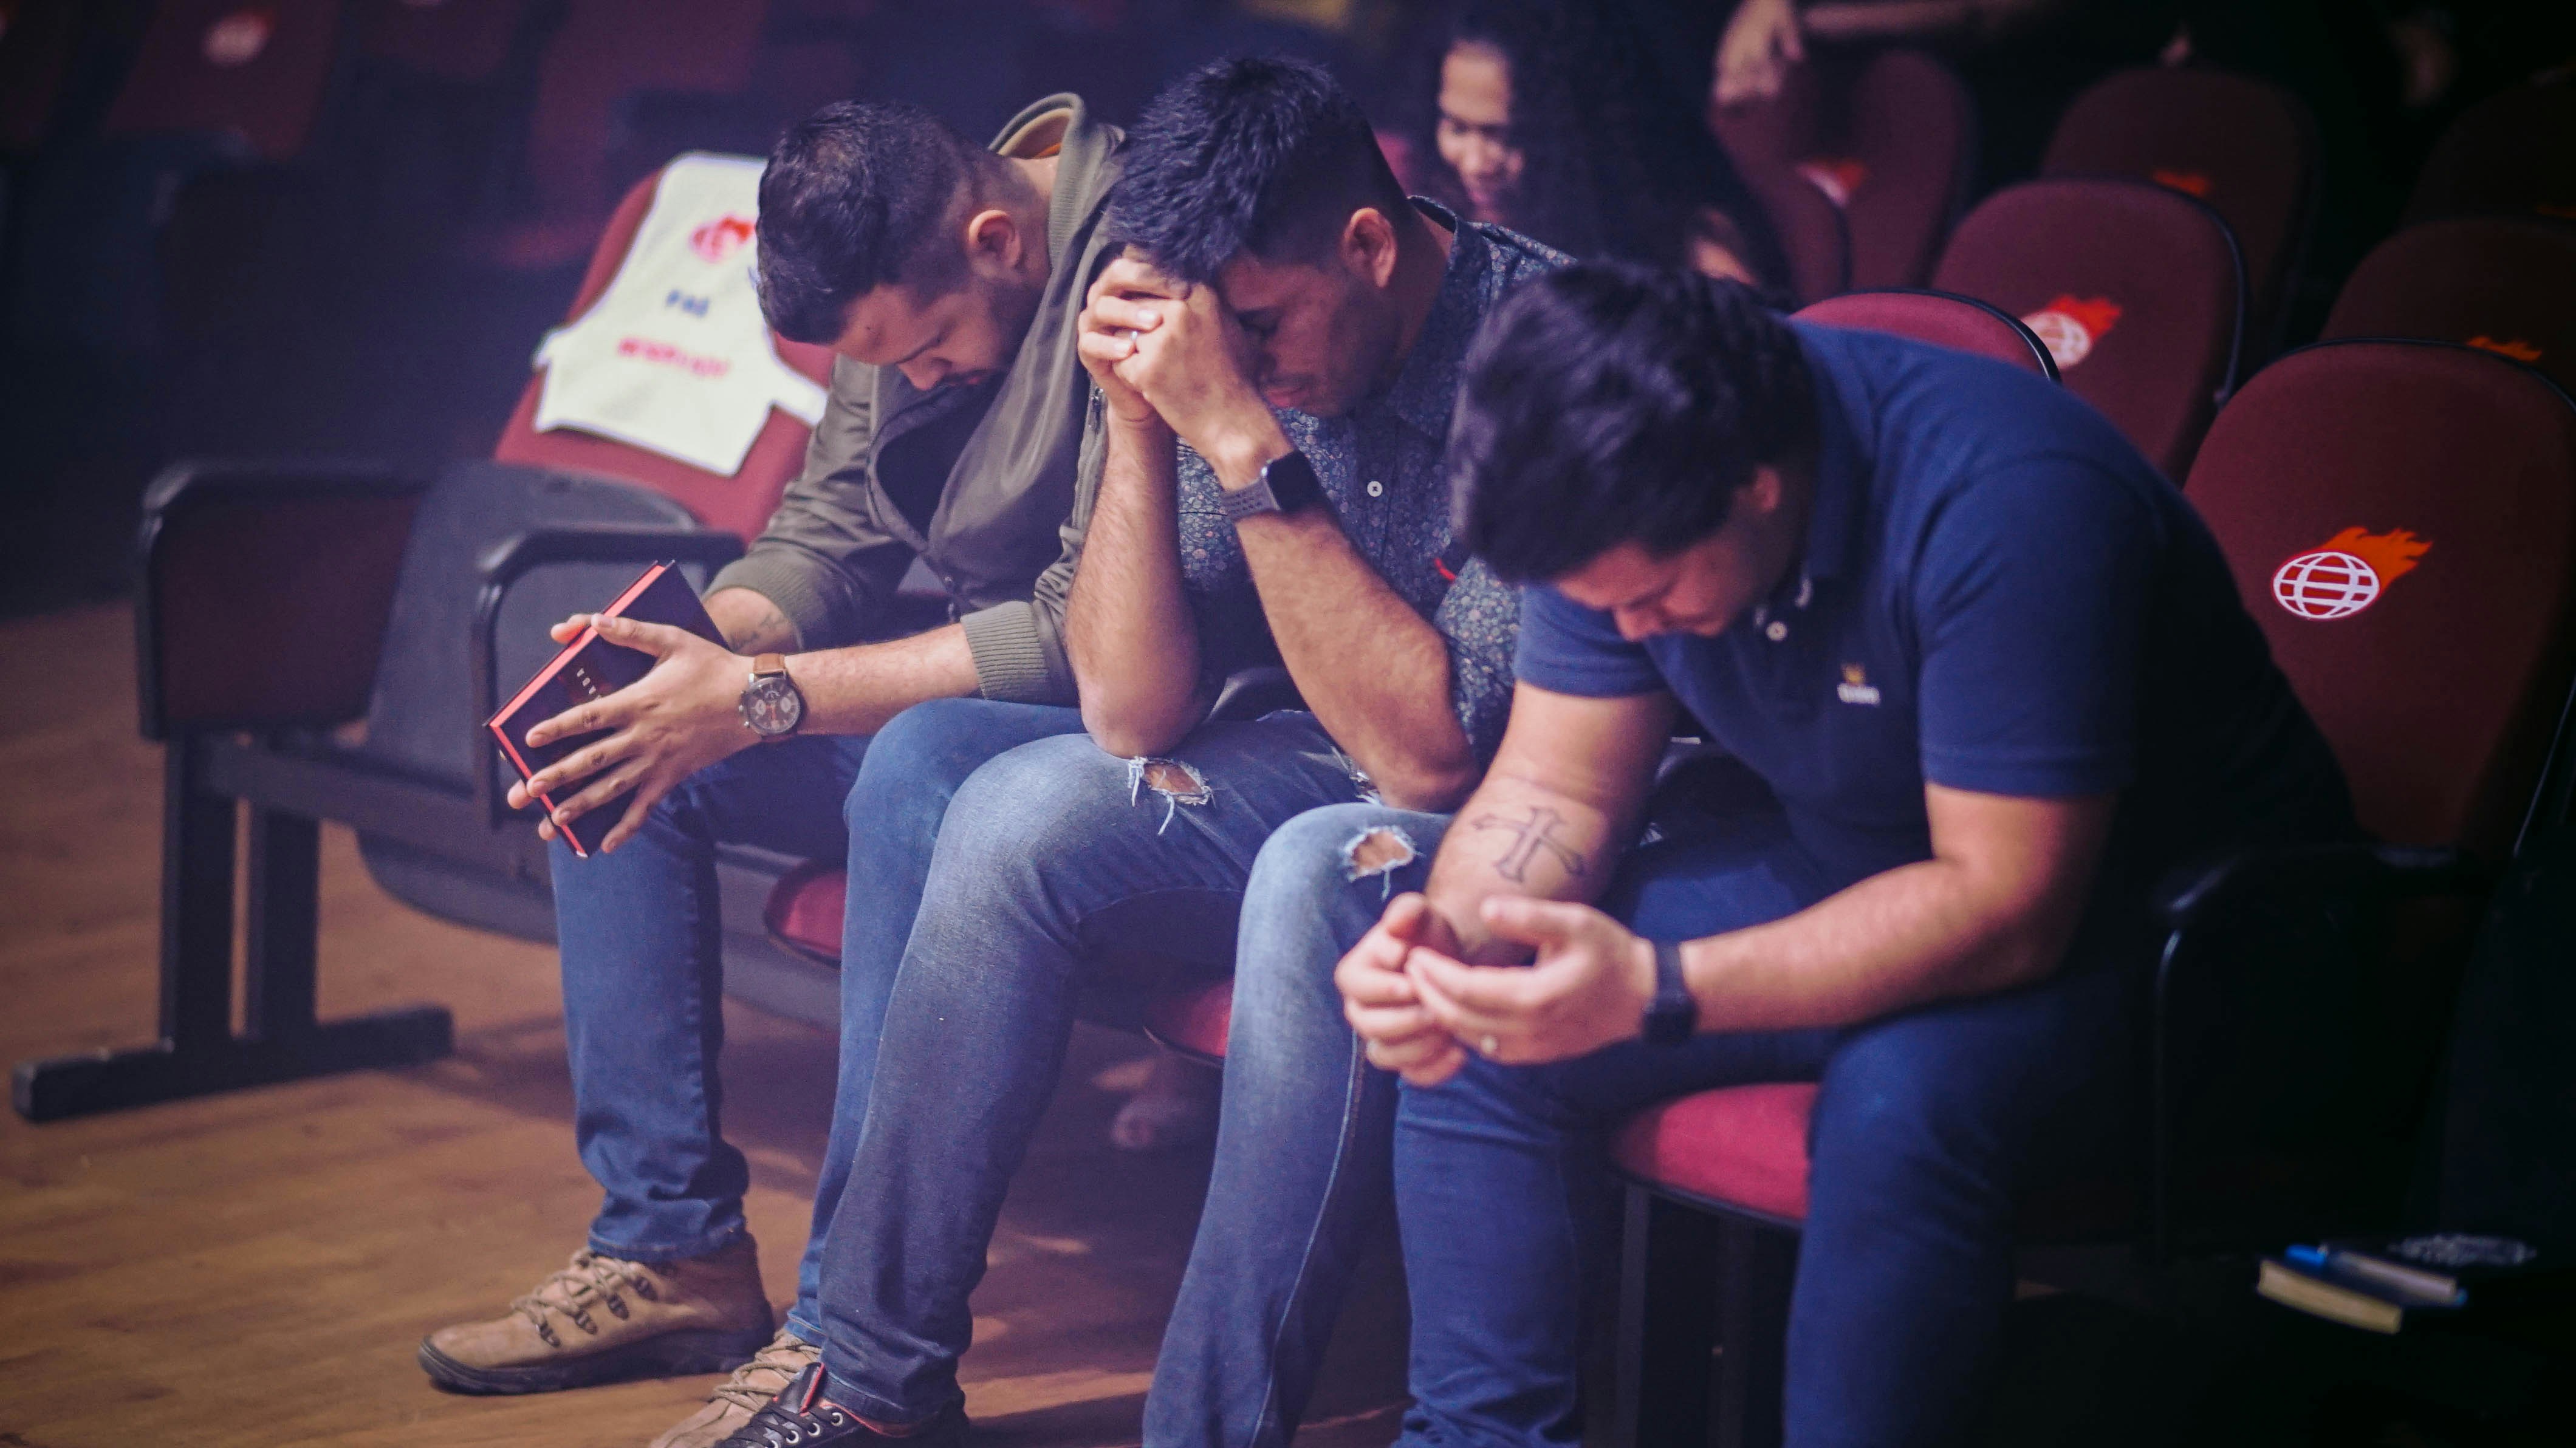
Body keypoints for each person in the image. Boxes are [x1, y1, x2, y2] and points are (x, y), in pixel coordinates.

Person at [1244, 264, 2351, 1447]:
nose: (1627, 634)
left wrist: (1655, 991)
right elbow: (1555, 783)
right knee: (1489, 1028)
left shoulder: (2006, 499)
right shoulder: (1601, 485)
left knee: (1899, 1102)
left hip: (2167, 939)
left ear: (1754, 486)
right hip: (1873, 863)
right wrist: (1448, 944)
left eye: (1654, 596)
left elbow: (2009, 903)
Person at [707, 55, 1563, 1448]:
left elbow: (1427, 753)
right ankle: (868, 1377)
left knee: (1306, 857)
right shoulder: (1232, 332)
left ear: (1364, 243)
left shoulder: (1535, 349)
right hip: (1300, 744)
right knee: (1001, 807)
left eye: (1270, 325)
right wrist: (1132, 418)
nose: (1254, 359)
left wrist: (1236, 433)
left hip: (1516, 794)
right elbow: (1129, 711)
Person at [415, 94, 1127, 1448]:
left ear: (999, 241)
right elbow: (834, 520)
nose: (910, 377)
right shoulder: (901, 254)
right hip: (986, 681)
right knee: (631, 728)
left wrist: (758, 696)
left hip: (1138, 708)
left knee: (910, 768)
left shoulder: (1136, 263)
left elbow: (1087, 632)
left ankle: (840, 1335)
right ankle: (667, 1244)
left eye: (920, 353)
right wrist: (701, 654)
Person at [1408, 0, 1792, 288]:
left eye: (1507, 137)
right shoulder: (1443, 234)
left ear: (1574, 138)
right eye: (1457, 128)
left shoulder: (1690, 258)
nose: (1474, 164)